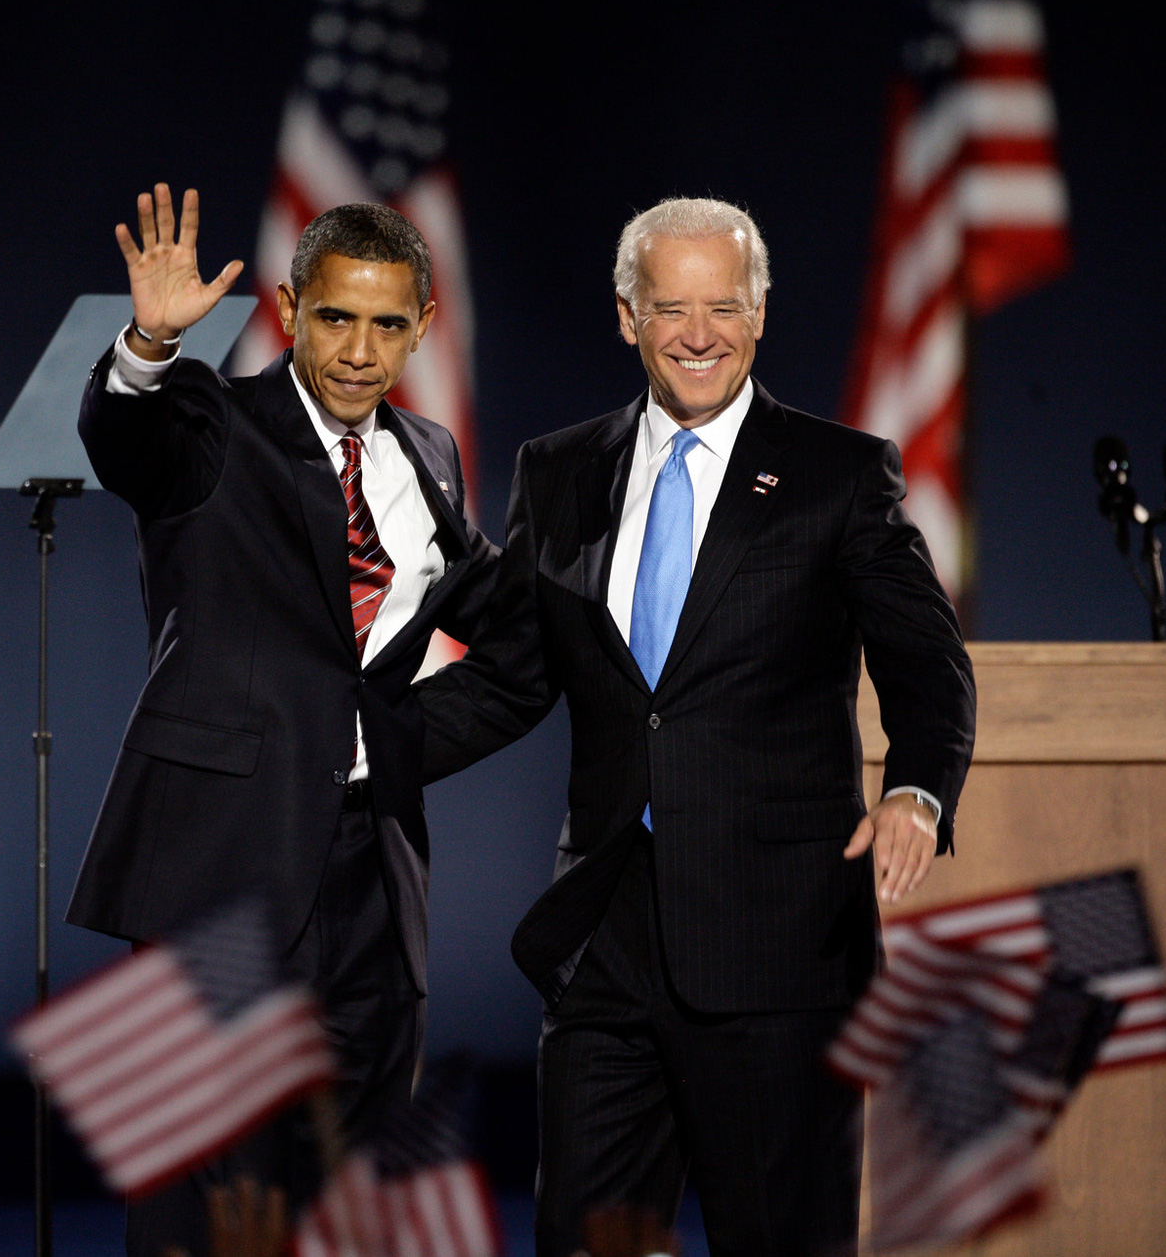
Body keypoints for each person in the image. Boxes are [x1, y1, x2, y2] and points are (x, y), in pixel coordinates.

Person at [416, 198, 976, 1256]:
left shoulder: (838, 474)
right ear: (626, 317)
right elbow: (515, 678)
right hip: (604, 938)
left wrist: (915, 787)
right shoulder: (559, 470)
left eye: (722, 305)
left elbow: (927, 666)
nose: (697, 332)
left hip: (780, 948)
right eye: (669, 307)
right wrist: (360, 751)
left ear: (759, 314)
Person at [70, 184, 500, 1256]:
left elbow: (501, 620)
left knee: (347, 1172)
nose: (358, 349)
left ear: (423, 327)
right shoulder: (213, 423)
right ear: (288, 307)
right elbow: (125, 439)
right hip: (219, 863)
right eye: (334, 317)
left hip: (369, 866)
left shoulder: (429, 456)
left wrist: (406, 744)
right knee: (204, 1172)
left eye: (386, 323)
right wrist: (147, 345)